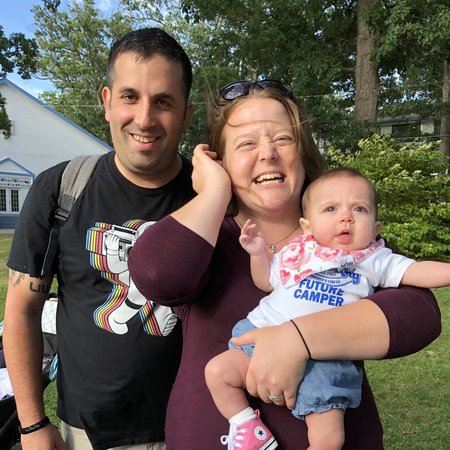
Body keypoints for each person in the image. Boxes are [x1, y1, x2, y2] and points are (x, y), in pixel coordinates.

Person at [128, 80, 441, 449]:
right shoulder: (206, 238)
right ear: (221, 162)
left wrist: (297, 339)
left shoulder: (345, 237)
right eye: (246, 143)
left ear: (303, 154)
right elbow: (156, 274)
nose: (268, 154)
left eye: (282, 139)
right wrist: (214, 192)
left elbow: (418, 315)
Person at [3, 28, 195, 450]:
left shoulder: (213, 196)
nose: (144, 118)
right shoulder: (61, 188)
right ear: (106, 102)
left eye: (163, 101)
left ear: (186, 112)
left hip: (196, 424)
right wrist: (32, 425)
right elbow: (21, 310)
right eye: (130, 97)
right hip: (87, 434)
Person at [205, 167, 450, 450]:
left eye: (359, 209)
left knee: (329, 437)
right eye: (331, 209)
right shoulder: (297, 252)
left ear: (375, 228)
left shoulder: (374, 259)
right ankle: (248, 429)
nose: (346, 216)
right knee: (217, 372)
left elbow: (417, 271)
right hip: (261, 334)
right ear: (307, 226)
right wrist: (258, 253)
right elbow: (265, 282)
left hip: (326, 357)